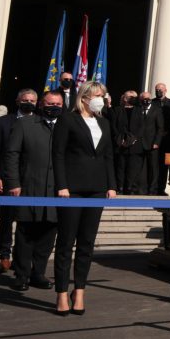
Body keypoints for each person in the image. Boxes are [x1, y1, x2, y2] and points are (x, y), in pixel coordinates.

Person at [53, 81, 117, 315]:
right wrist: (62, 185)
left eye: (103, 94)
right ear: (85, 97)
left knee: (87, 243)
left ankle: (79, 290)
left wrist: (111, 185)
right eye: (98, 95)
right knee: (66, 242)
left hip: (97, 188)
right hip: (72, 188)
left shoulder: (104, 123)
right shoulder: (68, 119)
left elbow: (109, 156)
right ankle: (61, 292)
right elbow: (58, 154)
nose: (101, 98)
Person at [3, 90, 65, 291]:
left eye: (58, 103)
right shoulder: (25, 124)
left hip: (56, 190)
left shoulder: (66, 127)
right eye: (50, 103)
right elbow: (12, 154)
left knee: (48, 234)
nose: (54, 107)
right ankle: (21, 274)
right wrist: (13, 182)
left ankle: (38, 273)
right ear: (41, 105)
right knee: (25, 233)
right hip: (29, 187)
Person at [0, 89, 38, 272]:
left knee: (26, 220)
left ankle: (21, 257)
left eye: (32, 100)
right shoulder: (3, 122)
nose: (29, 103)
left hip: (30, 179)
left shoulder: (39, 122)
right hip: (8, 178)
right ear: (18, 101)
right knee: (7, 218)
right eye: (25, 100)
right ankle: (5, 254)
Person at [111, 90, 145, 194]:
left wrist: (135, 138)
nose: (133, 99)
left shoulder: (140, 110)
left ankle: (130, 188)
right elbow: (113, 126)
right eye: (131, 97)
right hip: (120, 143)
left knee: (132, 168)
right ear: (125, 98)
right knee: (120, 167)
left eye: (135, 97)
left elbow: (142, 126)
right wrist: (119, 138)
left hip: (134, 144)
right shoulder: (117, 110)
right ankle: (119, 187)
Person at [135, 91, 165, 195]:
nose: (146, 100)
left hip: (152, 143)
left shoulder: (156, 110)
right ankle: (140, 189)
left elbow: (160, 128)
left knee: (153, 167)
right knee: (140, 167)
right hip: (139, 143)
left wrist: (157, 142)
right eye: (144, 99)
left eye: (148, 98)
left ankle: (153, 189)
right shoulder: (138, 109)